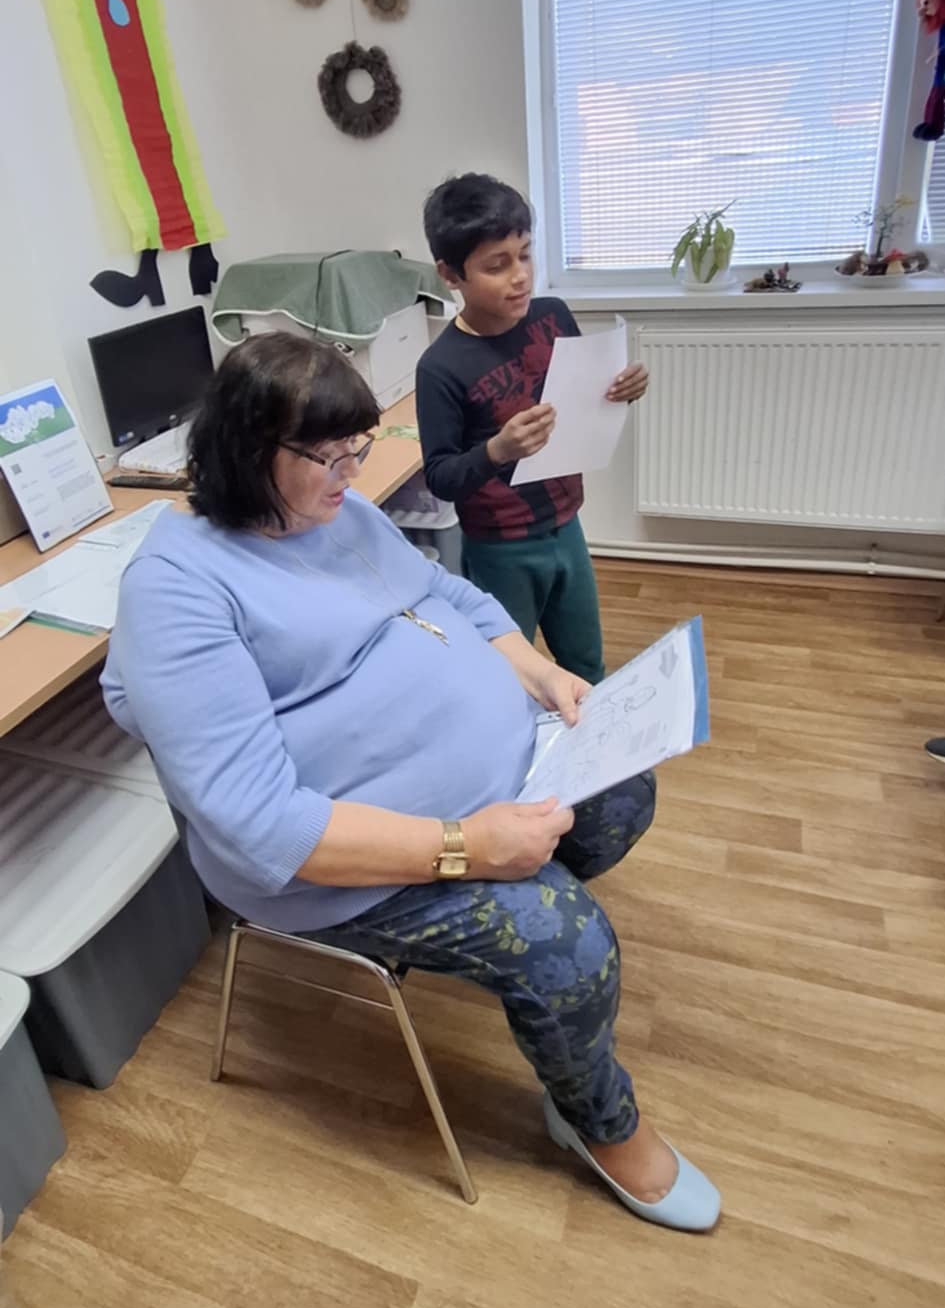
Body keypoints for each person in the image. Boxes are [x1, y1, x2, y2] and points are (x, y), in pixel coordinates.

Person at [102, 334, 719, 1232]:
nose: (353, 472)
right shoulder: (177, 592)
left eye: (358, 448)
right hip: (332, 869)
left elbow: (448, 597)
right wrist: (469, 849)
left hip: (484, 789)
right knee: (568, 944)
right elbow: (258, 823)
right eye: (332, 455)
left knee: (624, 793)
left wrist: (540, 674)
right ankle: (596, 1119)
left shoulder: (334, 511)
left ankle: (519, 947)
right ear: (247, 451)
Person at [416, 173, 648, 685]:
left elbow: (584, 400)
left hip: (567, 525)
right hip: (499, 547)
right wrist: (497, 450)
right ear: (450, 275)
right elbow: (440, 476)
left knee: (586, 664)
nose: (520, 276)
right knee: (510, 677)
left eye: (525, 254)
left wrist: (622, 390)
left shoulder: (553, 316)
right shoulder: (440, 367)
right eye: (496, 265)